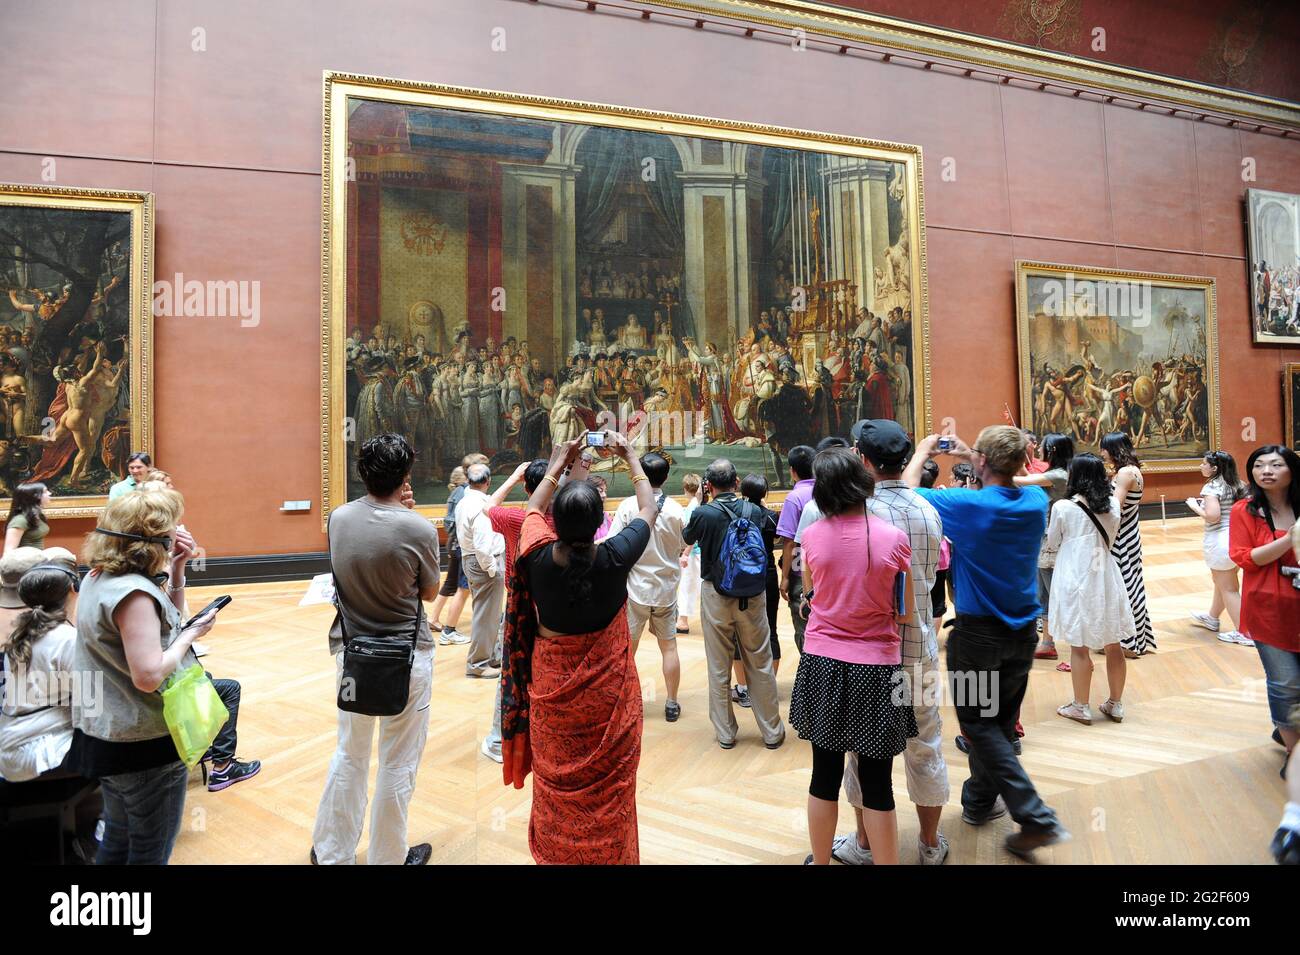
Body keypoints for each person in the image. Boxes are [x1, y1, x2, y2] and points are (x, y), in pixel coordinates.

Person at [903, 426, 1071, 860]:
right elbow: (1044, 479)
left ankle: (1034, 815)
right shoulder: (1034, 501)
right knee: (997, 725)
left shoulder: (969, 504)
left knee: (979, 726)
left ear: (981, 463)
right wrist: (977, 456)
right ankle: (979, 802)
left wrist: (925, 451)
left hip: (979, 637)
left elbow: (903, 495)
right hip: (1023, 633)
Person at [500, 431, 656, 863]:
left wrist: (556, 464)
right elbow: (648, 508)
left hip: (553, 695)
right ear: (599, 521)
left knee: (555, 789)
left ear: (556, 521)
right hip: (608, 703)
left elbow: (531, 508)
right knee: (613, 794)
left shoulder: (535, 553)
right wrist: (629, 457)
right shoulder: (615, 557)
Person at [821, 420, 951, 866]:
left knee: (861, 753)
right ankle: (930, 845)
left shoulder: (854, 515)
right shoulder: (928, 510)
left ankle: (862, 844)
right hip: (919, 648)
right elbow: (931, 577)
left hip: (867, 655)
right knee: (927, 746)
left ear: (862, 459)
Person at [67, 485, 216, 864]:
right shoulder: (133, 594)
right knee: (151, 850)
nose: (178, 530)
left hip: (109, 735)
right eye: (172, 525)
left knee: (118, 837)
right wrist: (191, 636)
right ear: (151, 538)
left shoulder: (97, 577)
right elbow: (149, 674)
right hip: (142, 743)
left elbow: (163, 623)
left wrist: (178, 567)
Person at [312, 434, 439, 865]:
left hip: (352, 654)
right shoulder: (418, 527)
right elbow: (429, 591)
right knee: (397, 763)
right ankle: (388, 858)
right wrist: (406, 518)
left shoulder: (339, 518)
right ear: (405, 476)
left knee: (349, 754)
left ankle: (332, 853)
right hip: (406, 658)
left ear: (362, 473)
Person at [792, 447, 916, 865]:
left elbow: (812, 595)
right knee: (878, 783)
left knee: (822, 775)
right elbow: (905, 612)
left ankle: (821, 861)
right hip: (878, 668)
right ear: (862, 483)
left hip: (823, 663)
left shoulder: (810, 537)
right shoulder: (894, 539)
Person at [683, 459, 785, 750]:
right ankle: (772, 732)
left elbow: (687, 538)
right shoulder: (754, 510)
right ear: (737, 482)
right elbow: (775, 533)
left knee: (719, 665)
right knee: (760, 663)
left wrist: (702, 501)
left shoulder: (703, 513)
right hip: (752, 596)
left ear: (709, 485)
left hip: (716, 595)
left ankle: (726, 733)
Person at [1044, 454, 1133, 725]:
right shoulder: (1113, 506)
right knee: (1113, 641)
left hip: (1074, 574)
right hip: (1105, 571)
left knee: (1079, 644)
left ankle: (1081, 706)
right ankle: (1115, 704)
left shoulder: (1063, 507)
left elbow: (1052, 541)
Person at [1229, 445, 1300, 779]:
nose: (1266, 471)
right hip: (1269, 609)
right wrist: (1291, 539)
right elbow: (1245, 557)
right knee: (1285, 682)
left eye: (1276, 464)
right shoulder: (1246, 510)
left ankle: (1284, 728)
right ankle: (1293, 751)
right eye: (1259, 465)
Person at [610, 452, 686, 722]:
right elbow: (682, 546)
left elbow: (614, 543)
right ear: (666, 477)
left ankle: (624, 700)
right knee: (669, 648)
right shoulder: (677, 510)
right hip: (666, 591)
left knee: (628, 649)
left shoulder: (629, 506)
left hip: (635, 591)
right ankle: (672, 702)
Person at [0, 561, 80, 781]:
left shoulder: (19, 636)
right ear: (74, 589)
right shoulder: (67, 639)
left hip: (10, 753)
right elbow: (92, 708)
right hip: (42, 753)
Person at [1014, 433, 1073, 659]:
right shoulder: (1057, 473)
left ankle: (1077, 645)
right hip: (1047, 536)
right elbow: (1027, 477)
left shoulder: (1059, 474)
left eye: (1043, 448)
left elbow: (1021, 481)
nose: (1039, 451)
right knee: (1046, 594)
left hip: (1053, 539)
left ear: (1053, 451)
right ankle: (1048, 642)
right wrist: (1021, 459)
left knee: (1056, 592)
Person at [1187, 450, 1251, 645]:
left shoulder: (1212, 487)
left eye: (1203, 463)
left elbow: (1213, 516)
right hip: (1237, 540)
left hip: (1219, 541)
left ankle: (1244, 633)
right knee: (1222, 583)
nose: (1201, 466)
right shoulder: (1239, 485)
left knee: (1229, 588)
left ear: (1214, 468)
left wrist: (1195, 506)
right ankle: (1212, 617)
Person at [1100, 432, 1153, 657]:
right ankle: (1134, 639)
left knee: (1124, 588)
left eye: (1103, 448)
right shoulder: (1131, 470)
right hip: (1129, 534)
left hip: (1121, 537)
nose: (1101, 452)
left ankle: (1128, 642)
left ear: (1113, 449)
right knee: (1131, 585)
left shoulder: (1125, 472)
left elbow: (1115, 507)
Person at [728, 474, 781, 698]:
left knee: (738, 631)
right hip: (767, 575)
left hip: (740, 576)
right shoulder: (771, 517)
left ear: (743, 492)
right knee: (771, 629)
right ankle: (768, 687)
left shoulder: (734, 515)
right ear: (765, 493)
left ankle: (743, 688)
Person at [456, 462, 505, 679]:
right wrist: (493, 569)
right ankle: (478, 663)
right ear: (488, 482)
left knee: (487, 614)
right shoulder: (480, 507)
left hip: (472, 561)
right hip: (484, 563)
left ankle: (491, 656)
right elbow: (483, 544)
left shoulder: (465, 501)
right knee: (486, 616)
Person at [776, 445, 816, 655]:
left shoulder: (795, 497)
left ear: (792, 470)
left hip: (802, 567)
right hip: (826, 565)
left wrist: (785, 577)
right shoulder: (826, 489)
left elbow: (789, 542)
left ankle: (810, 679)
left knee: (803, 622)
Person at [429, 464, 472, 646]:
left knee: (450, 584)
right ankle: (450, 629)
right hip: (460, 545)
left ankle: (433, 618)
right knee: (462, 587)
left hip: (452, 544)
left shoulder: (455, 493)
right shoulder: (463, 494)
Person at [675, 473, 702, 634]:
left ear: (686, 488)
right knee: (693, 586)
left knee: (687, 586)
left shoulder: (692, 507)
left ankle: (682, 621)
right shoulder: (697, 504)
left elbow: (692, 534)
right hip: (697, 553)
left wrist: (685, 553)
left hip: (692, 554)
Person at [5, 482, 51, 553]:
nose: (49, 493)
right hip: (25, 563)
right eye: (45, 492)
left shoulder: (37, 516)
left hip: (38, 560)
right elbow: (8, 552)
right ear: (35, 497)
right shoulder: (20, 520)